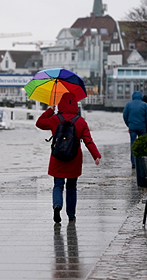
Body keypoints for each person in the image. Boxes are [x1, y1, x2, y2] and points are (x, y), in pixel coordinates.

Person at [36, 93, 101, 223]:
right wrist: (96, 155)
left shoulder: (55, 119)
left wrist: (50, 110)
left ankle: (57, 205)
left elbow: (39, 123)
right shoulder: (81, 121)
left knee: (58, 185)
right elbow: (88, 141)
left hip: (57, 157)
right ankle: (71, 214)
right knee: (71, 186)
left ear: (61, 103)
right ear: (75, 106)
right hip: (74, 158)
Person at [123, 91, 147, 168]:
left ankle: (133, 162)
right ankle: (143, 161)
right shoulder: (145, 105)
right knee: (143, 144)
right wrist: (146, 124)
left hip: (132, 127)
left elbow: (125, 115)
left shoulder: (128, 104)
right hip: (142, 127)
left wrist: (128, 125)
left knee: (133, 144)